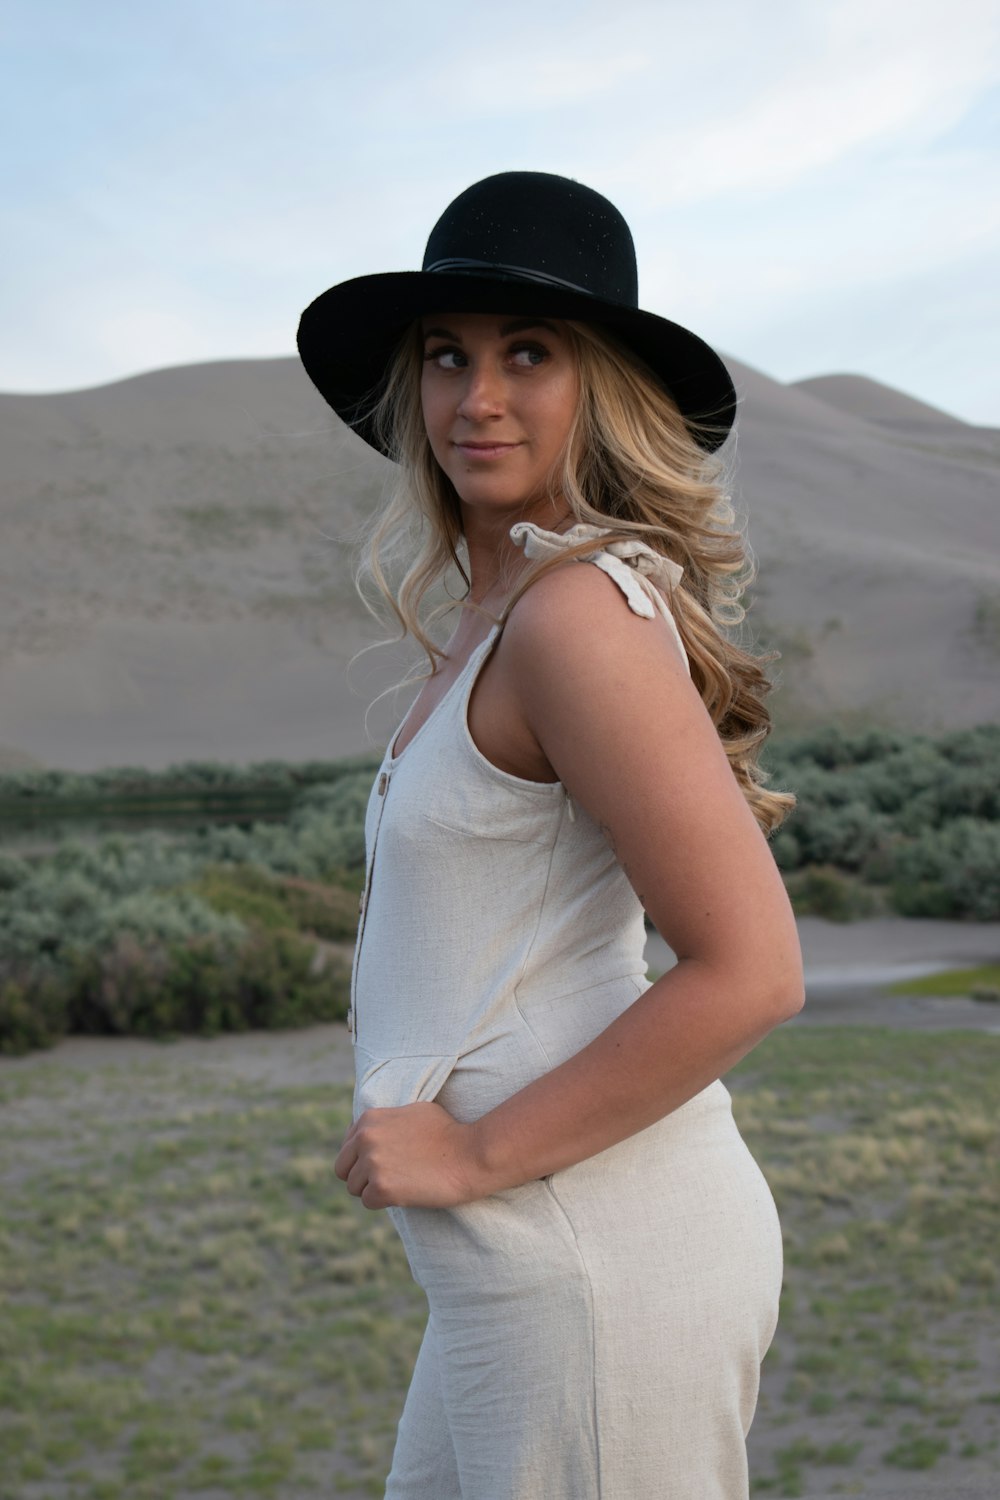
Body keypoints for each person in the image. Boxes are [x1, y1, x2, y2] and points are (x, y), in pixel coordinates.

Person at [297, 171, 804, 1500]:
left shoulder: (576, 614)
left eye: (529, 353)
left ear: (601, 389)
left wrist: (468, 1150)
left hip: (596, 1266)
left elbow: (752, 970)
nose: (478, 397)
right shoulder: (503, 611)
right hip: (518, 1268)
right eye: (445, 356)